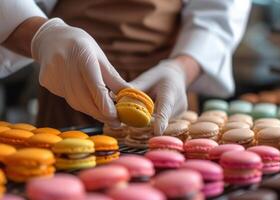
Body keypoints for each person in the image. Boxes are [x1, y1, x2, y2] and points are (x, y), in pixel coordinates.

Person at [0, 0, 251, 135]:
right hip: (67, 83)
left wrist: (182, 69)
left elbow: (220, 11)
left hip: (165, 94)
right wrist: (41, 35)